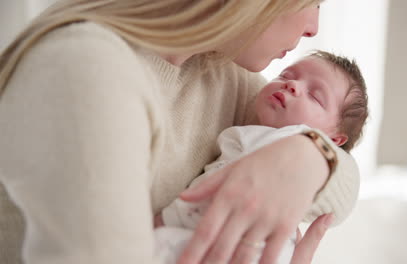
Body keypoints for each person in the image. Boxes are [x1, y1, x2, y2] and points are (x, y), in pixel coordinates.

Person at [0, 1, 360, 264]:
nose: (313, 26)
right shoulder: (86, 70)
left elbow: (345, 185)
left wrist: (310, 153)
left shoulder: (217, 69)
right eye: (311, 1)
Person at [152, 50, 368, 263]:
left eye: (315, 96)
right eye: (285, 75)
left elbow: (215, 190)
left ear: (335, 140)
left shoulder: (275, 140)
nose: (292, 85)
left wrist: (166, 219)